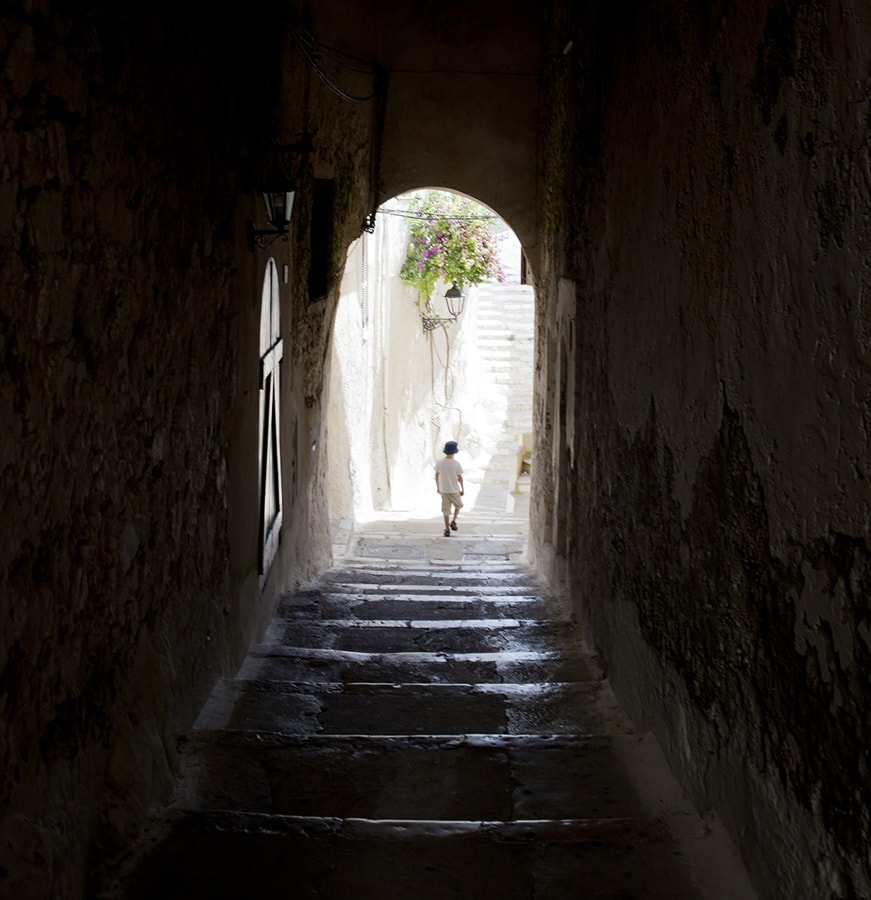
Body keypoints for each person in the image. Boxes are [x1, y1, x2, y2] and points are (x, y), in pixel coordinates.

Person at [435, 440, 464, 537]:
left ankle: (446, 529)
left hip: (444, 490)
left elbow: (436, 475)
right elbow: (460, 478)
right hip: (454, 489)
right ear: (454, 452)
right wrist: (462, 489)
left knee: (445, 510)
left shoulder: (440, 463)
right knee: (458, 505)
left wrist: (438, 487)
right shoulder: (456, 464)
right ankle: (454, 521)